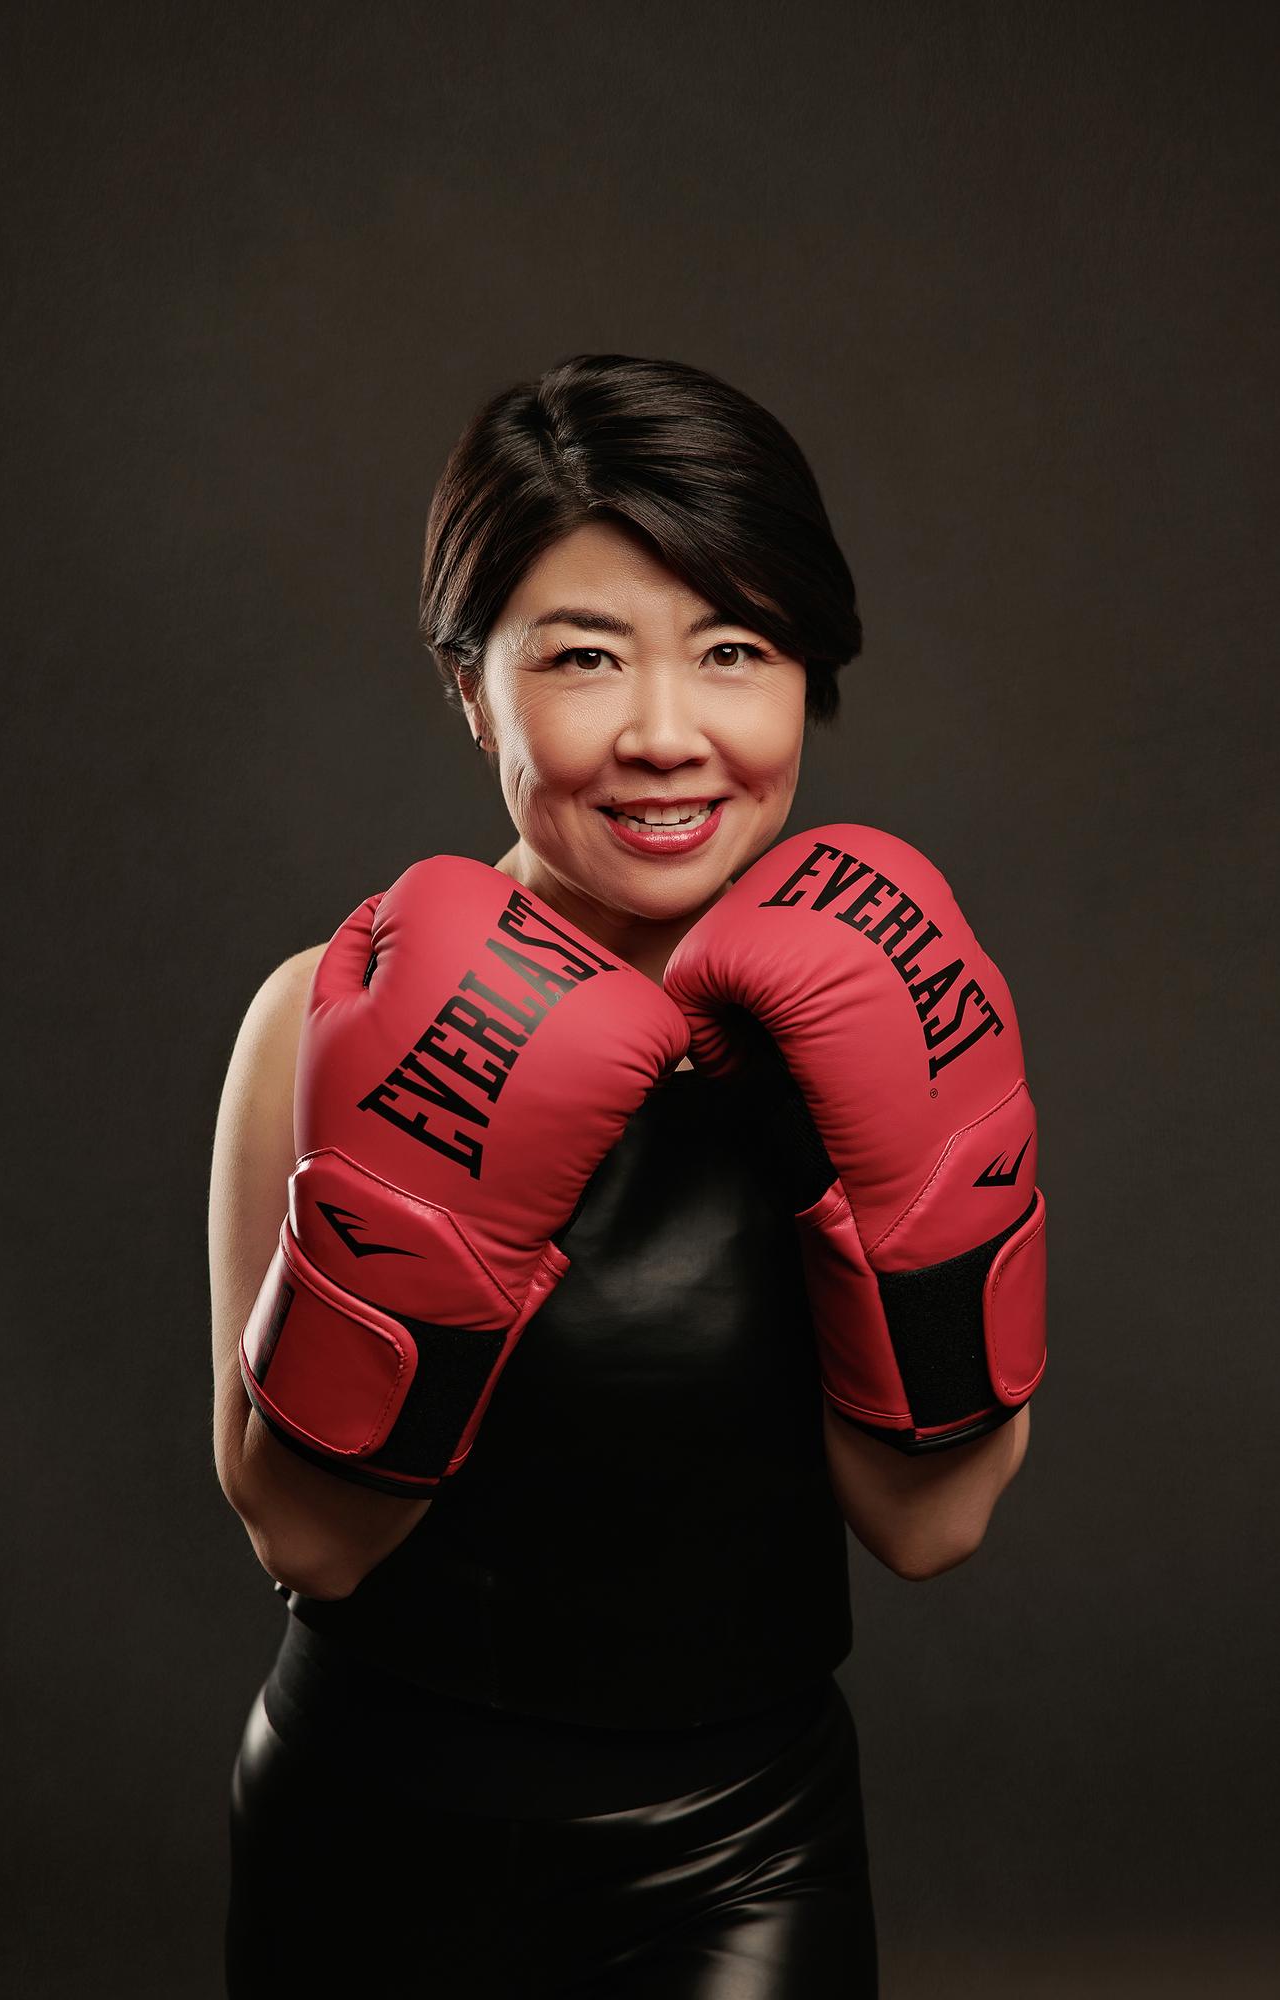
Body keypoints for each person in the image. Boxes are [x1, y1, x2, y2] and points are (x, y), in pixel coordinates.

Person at [208, 352, 1043, 1997]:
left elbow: (932, 1526)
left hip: (741, 1843)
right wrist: (447, 1161)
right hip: (367, 1833)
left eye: (733, 651)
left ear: (804, 675)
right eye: (583, 657)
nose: (666, 734)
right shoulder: (317, 1014)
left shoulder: (902, 1005)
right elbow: (302, 1535)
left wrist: (861, 1149)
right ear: (473, 687)